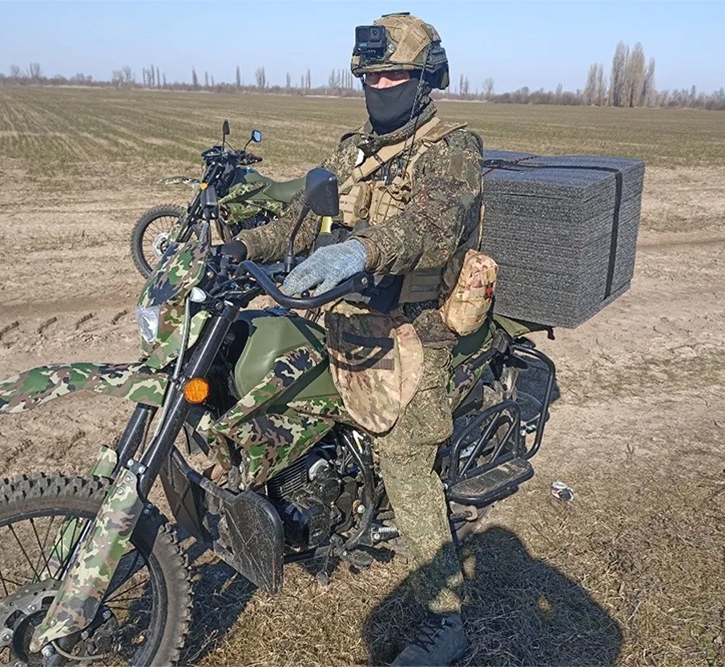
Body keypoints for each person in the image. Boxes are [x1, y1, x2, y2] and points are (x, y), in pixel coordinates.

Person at [222, 12, 483, 666]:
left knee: (404, 457)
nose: (381, 86)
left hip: (418, 324)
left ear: (425, 80)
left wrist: (360, 251)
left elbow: (431, 231)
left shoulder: (451, 150)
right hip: (349, 311)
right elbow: (297, 222)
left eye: (394, 75)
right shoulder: (356, 151)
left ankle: (445, 620)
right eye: (371, 76)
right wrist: (241, 247)